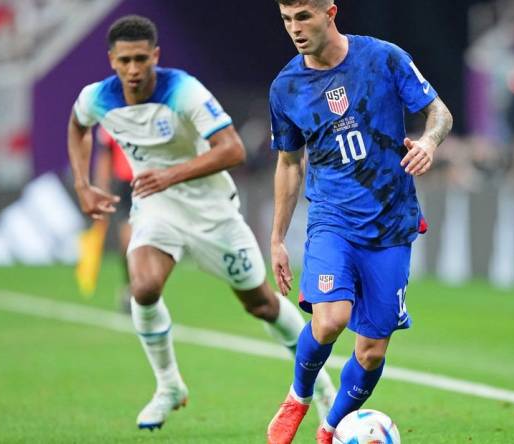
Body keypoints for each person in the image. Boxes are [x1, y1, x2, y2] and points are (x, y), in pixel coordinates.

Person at [66, 14, 336, 431]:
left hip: (212, 210)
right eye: (125, 61)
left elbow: (232, 151)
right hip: (157, 209)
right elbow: (77, 125)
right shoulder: (97, 97)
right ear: (111, 61)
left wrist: (170, 174)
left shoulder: (183, 90)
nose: (134, 69)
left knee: (262, 304)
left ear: (155, 56)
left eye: (141, 59)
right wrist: (83, 185)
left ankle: (321, 388)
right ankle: (168, 385)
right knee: (144, 287)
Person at [265, 1, 453, 443]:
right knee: (329, 320)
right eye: (287, 20)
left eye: (303, 17)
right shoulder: (286, 87)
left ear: (330, 11)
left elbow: (439, 112)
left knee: (370, 352)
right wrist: (276, 239)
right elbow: (289, 164)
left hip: (391, 224)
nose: (294, 28)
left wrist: (428, 142)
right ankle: (298, 396)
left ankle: (330, 430)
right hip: (332, 218)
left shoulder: (384, 57)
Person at [92, 127, 134, 312]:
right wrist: (102, 190)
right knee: (128, 244)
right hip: (126, 186)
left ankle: (144, 289)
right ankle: (131, 287)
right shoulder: (111, 116)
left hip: (154, 182)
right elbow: (104, 155)